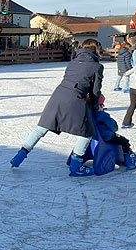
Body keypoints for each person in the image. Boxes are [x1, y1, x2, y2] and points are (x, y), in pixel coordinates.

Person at [7, 39, 103, 176]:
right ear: (96, 50)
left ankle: (19, 157)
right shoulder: (96, 66)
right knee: (87, 133)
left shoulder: (73, 62)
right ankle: (76, 166)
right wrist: (94, 107)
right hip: (75, 100)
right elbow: (95, 92)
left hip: (57, 97)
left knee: (41, 129)